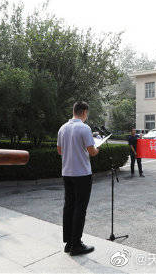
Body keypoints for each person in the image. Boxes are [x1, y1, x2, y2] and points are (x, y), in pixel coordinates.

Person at [58, 101, 99, 255]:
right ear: (83, 112)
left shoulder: (62, 128)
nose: (86, 116)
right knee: (80, 208)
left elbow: (59, 150)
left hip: (67, 172)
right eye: (86, 113)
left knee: (69, 206)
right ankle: (76, 244)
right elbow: (92, 151)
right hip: (82, 173)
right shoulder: (84, 128)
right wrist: (97, 148)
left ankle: (68, 242)